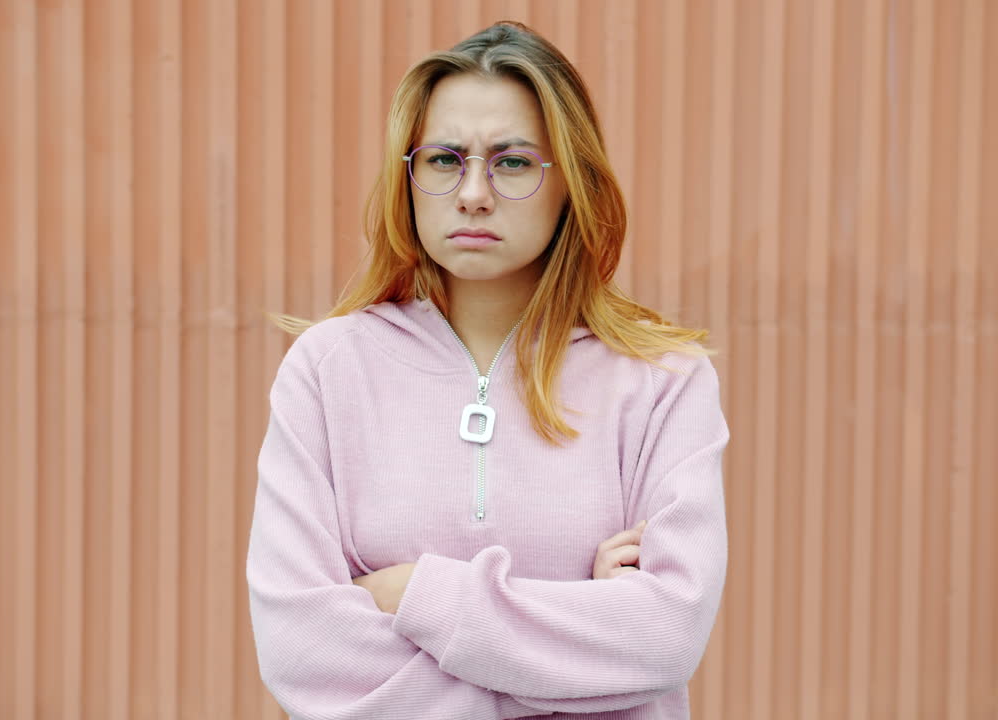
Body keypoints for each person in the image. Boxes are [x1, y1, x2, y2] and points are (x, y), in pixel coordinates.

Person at [247, 21, 728, 720]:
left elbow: (665, 638)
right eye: (443, 160)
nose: (473, 193)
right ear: (407, 178)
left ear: (572, 182)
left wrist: (414, 596)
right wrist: (579, 653)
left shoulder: (662, 380)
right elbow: (301, 652)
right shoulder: (326, 371)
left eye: (512, 162)